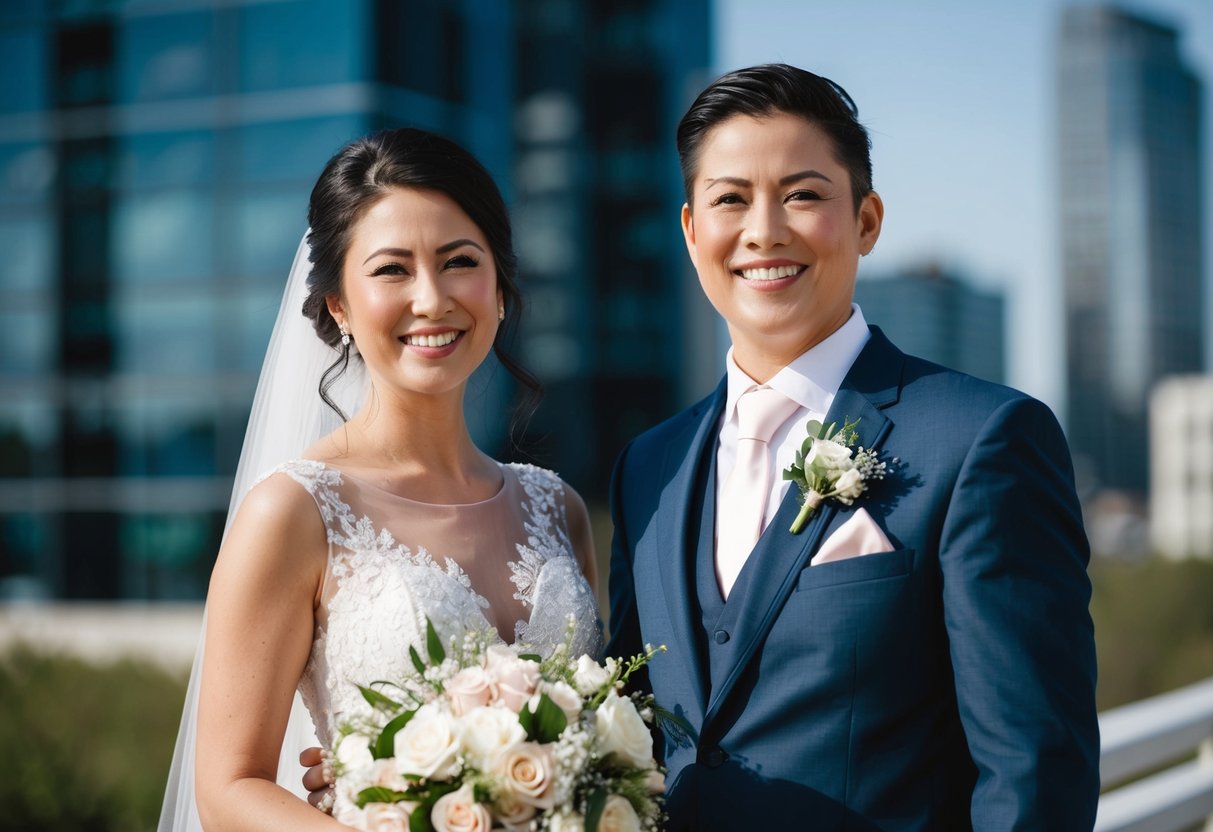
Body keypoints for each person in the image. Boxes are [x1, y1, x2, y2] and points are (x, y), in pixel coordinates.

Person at [605, 64, 1100, 830]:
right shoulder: (649, 467)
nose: (763, 230)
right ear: (691, 230)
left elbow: (1033, 769)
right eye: (730, 199)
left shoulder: (982, 439)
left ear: (866, 220)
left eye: (802, 196)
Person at [158, 127, 602, 831]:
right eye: (392, 270)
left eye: (459, 261)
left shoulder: (559, 508)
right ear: (338, 304)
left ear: (499, 287)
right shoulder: (292, 511)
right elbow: (228, 789)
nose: (431, 299)